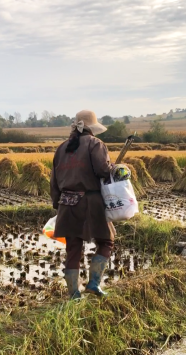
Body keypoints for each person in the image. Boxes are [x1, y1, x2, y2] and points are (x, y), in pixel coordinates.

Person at [50, 110, 118, 299]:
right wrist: (116, 168)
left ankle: (74, 295)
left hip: (66, 204)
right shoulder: (95, 144)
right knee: (106, 241)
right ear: (92, 128)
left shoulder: (61, 148)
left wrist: (58, 205)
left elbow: (54, 181)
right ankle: (94, 284)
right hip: (90, 202)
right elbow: (103, 171)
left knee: (73, 249)